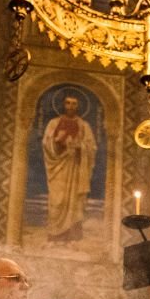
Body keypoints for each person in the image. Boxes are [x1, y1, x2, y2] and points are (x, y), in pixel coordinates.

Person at [43, 96, 97, 242]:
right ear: (63, 104)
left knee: (74, 202)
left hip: (76, 168)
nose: (71, 106)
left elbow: (91, 147)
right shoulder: (53, 123)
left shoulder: (84, 125)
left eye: (74, 103)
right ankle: (54, 236)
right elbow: (46, 143)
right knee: (57, 200)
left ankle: (72, 237)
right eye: (68, 103)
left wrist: (80, 147)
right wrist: (57, 142)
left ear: (78, 106)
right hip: (59, 167)